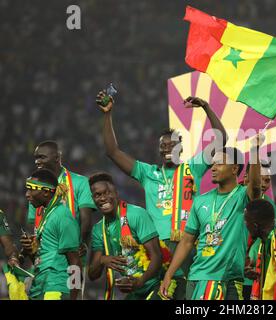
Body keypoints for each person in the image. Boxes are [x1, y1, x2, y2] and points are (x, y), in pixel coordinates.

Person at [97, 92, 228, 297]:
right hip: (155, 249)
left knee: (185, 294)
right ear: (158, 150)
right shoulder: (148, 173)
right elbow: (113, 151)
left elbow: (221, 141)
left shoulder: (193, 167)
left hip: (187, 245)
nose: (167, 148)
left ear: (181, 147)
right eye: (163, 145)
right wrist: (107, 114)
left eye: (172, 144)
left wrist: (206, 107)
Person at [160, 134, 263, 300]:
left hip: (227, 279)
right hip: (196, 277)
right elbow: (186, 242)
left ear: (235, 169)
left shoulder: (243, 197)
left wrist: (255, 150)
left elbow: (256, 186)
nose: (213, 168)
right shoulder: (201, 201)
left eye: (220, 163)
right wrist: (169, 274)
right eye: (213, 163)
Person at [87, 172, 163, 300]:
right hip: (135, 291)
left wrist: (140, 282)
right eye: (97, 195)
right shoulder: (98, 229)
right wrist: (102, 260)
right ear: (93, 198)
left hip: (156, 285)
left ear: (116, 192)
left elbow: (157, 256)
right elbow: (93, 275)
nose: (103, 198)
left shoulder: (136, 214)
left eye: (107, 192)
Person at [21, 169, 82, 300]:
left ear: (46, 192)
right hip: (41, 287)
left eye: (31, 189)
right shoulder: (48, 215)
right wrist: (31, 250)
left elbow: (75, 261)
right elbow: (45, 258)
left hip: (56, 289)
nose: (27, 194)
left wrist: (74, 297)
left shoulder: (62, 216)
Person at [28, 140, 96, 257]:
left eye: (42, 157)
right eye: (36, 158)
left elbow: (86, 220)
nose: (37, 161)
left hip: (73, 251)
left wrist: (81, 244)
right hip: (45, 255)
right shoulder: (35, 185)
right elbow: (33, 222)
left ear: (57, 158)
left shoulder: (80, 182)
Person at [241, 160, 276, 299]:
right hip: (228, 273)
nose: (263, 184)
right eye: (259, 179)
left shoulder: (272, 210)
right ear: (246, 176)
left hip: (255, 277)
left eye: (267, 180)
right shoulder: (231, 200)